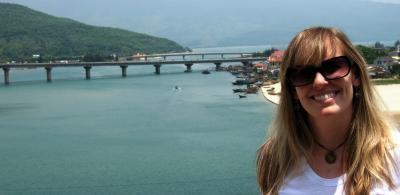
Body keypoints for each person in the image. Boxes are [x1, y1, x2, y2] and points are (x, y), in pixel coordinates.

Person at [256, 26, 400, 194]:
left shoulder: (393, 150)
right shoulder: (275, 156)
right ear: (292, 90)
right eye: (303, 73)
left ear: (355, 76)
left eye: (332, 67)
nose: (319, 81)